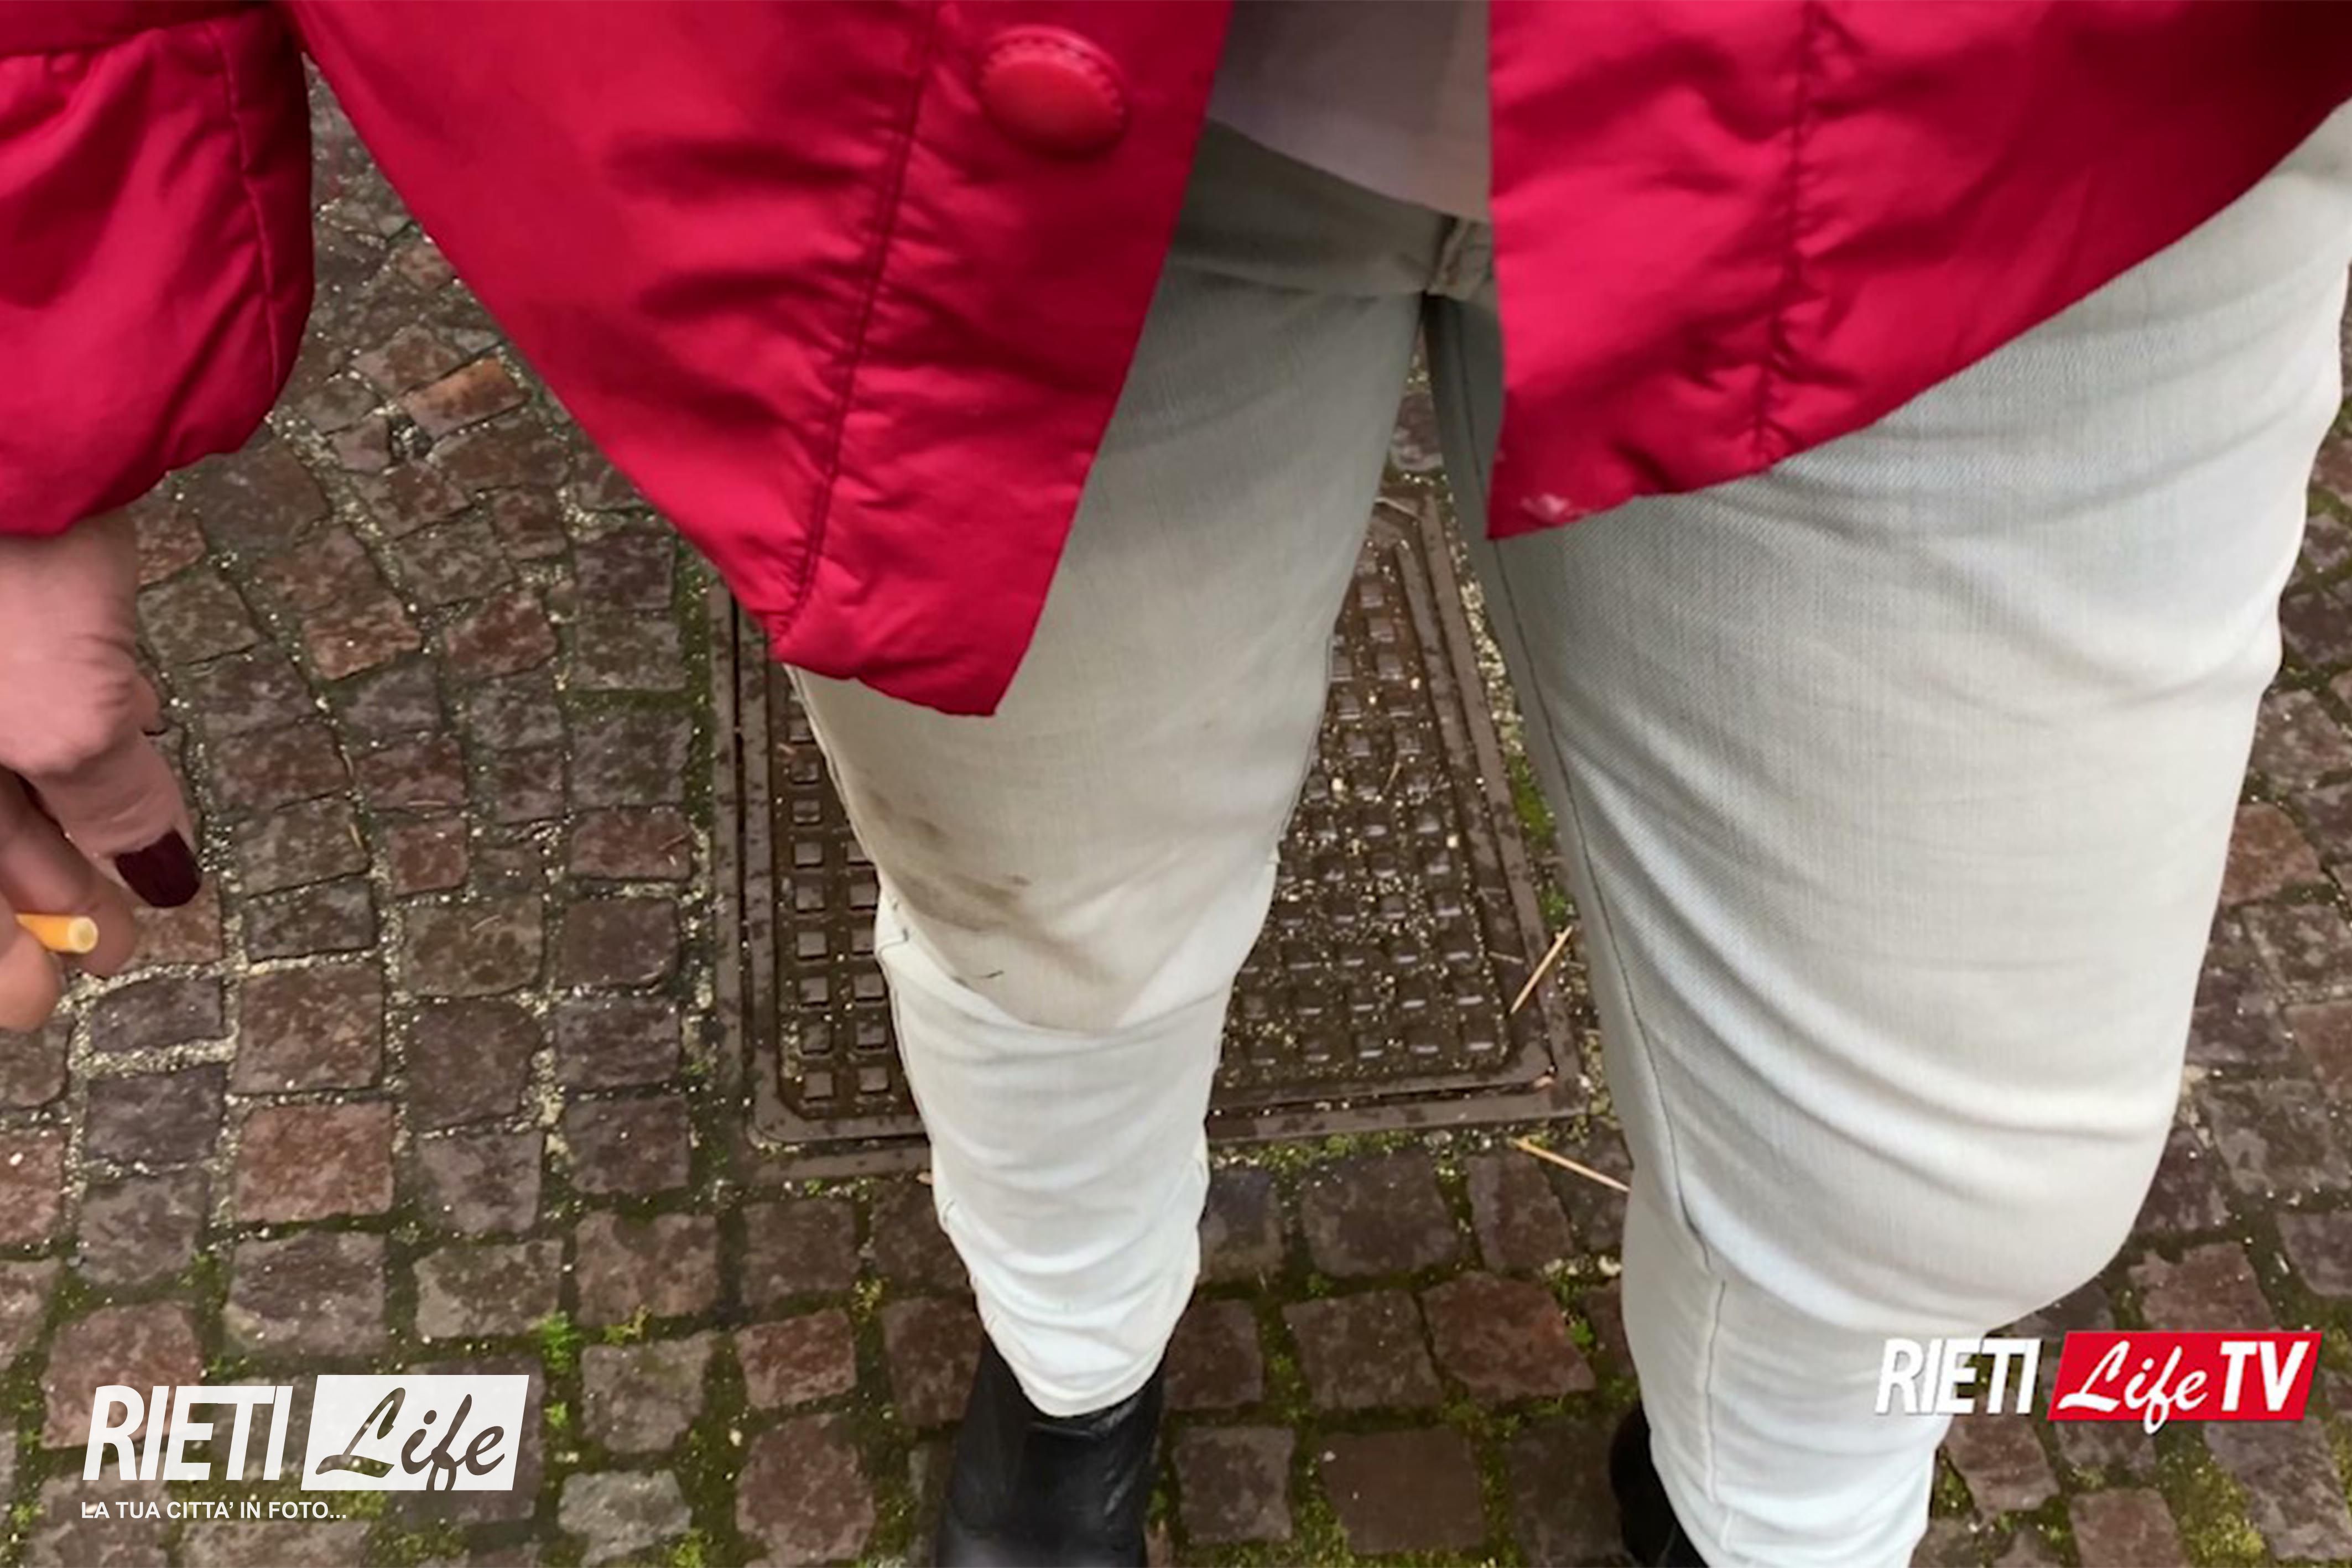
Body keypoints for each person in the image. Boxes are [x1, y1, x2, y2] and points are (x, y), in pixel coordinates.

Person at [6, 3, 2351, 1563]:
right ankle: (1075, 1361)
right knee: (1052, 917)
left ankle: (1780, 1502)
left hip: (2026, 114)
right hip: (901, 87)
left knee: (1942, 1158)